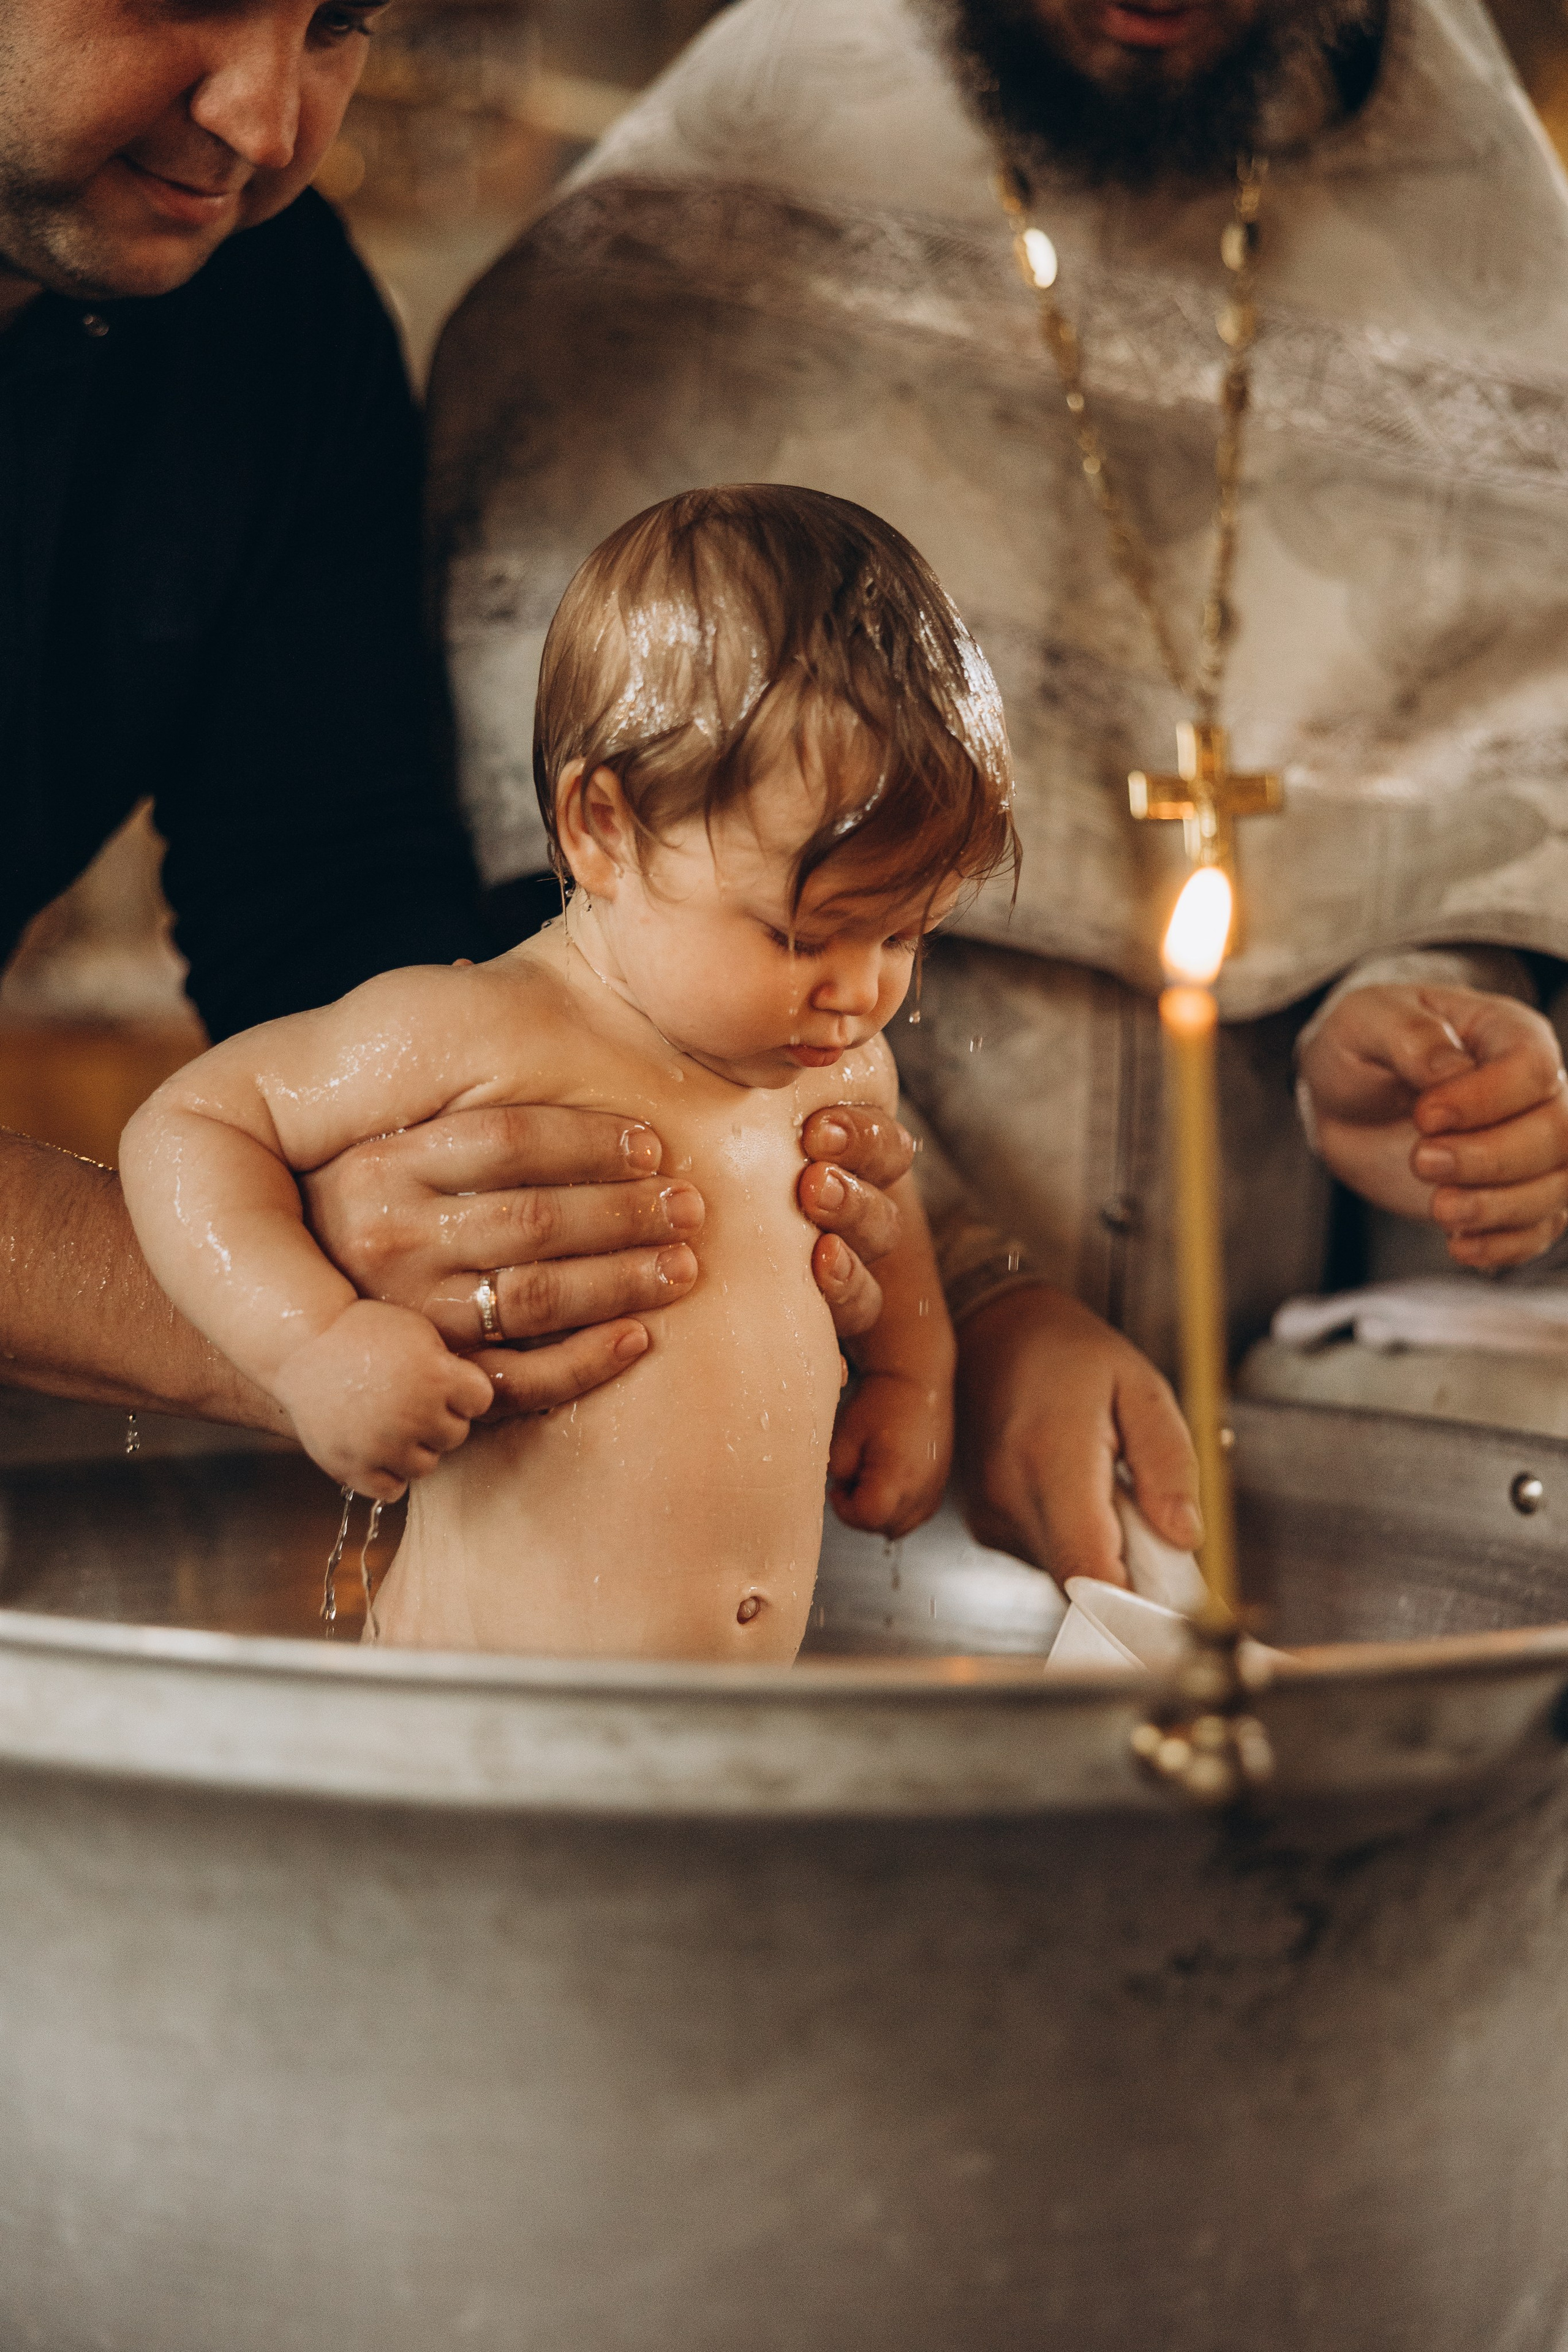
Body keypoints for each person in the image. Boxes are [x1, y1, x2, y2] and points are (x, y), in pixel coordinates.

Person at [426, 0, 1568, 1586]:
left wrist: (1443, 1000)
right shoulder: (691, 243)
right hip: (788, 1396)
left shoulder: (1488, 236)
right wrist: (971, 1292)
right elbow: (583, 920)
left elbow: (1496, 762)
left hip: (1271, 1412)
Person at [0, 0, 908, 1444]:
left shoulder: (275, 308)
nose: (268, 122)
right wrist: (291, 1314)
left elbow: (323, 900)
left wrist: (538, 1186)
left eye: (338, 21)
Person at [121, 486, 1015, 1657]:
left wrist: (913, 1378)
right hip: (480, 1724)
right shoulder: (474, 1029)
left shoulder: (838, 1073)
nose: (861, 991)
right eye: (804, 934)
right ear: (604, 828)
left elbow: (887, 1230)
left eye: (903, 937)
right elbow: (188, 1126)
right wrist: (312, 1344)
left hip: (715, 1751)